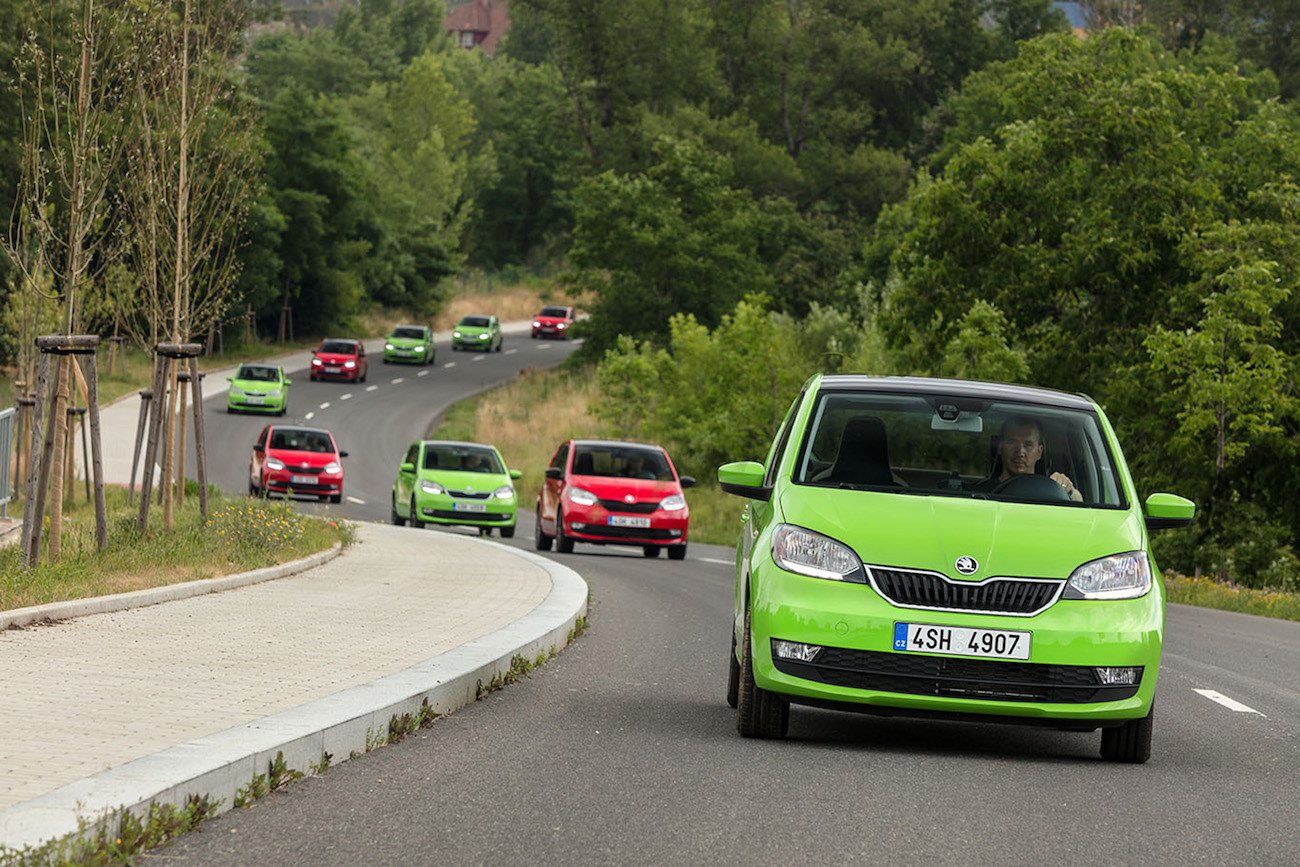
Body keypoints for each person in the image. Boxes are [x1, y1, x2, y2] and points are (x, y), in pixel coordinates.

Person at [975, 417, 1082, 501]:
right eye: (1012, 442)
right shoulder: (980, 493)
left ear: (1039, 452)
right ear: (1000, 447)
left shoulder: (1052, 493)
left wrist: (1069, 491)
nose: (1020, 452)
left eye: (1028, 444)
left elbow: (1082, 512)